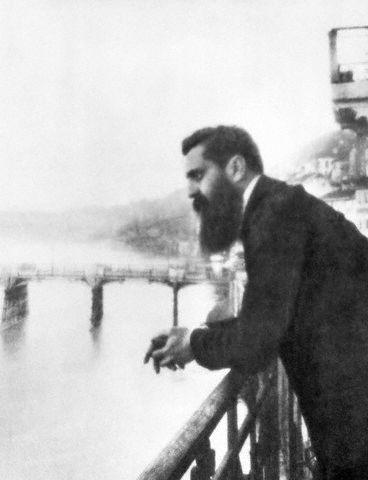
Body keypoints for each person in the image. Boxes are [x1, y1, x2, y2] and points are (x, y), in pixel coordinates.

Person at [144, 125, 368, 480]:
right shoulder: (279, 207)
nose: (190, 191)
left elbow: (257, 342)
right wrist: (196, 335)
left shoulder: (273, 215)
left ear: (234, 169)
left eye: (198, 175)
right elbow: (271, 314)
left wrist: (194, 344)